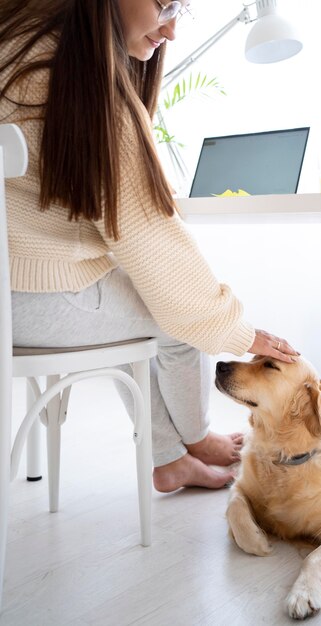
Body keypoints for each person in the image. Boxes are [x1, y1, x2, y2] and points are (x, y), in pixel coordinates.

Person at [0, 0, 299, 492]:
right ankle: (195, 439)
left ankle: (167, 458)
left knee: (122, 292)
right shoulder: (86, 82)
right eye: (163, 4)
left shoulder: (21, 41)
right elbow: (155, 248)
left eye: (180, 8)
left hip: (17, 286)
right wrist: (238, 332)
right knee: (178, 319)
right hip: (26, 300)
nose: (173, 29)